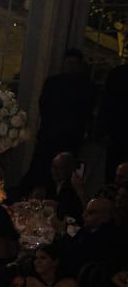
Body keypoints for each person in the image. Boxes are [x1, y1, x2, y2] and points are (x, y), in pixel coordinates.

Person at [26, 49, 94, 189]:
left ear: (80, 65)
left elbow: (86, 111)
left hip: (70, 136)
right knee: (42, 168)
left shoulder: (86, 87)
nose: (71, 66)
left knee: (65, 171)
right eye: (69, 63)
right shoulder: (53, 83)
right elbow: (44, 106)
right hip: (51, 134)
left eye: (74, 63)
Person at [29, 151, 86, 224]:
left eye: (58, 168)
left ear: (68, 169)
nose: (54, 171)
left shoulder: (74, 186)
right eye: (53, 167)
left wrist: (57, 206)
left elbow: (73, 213)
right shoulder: (50, 180)